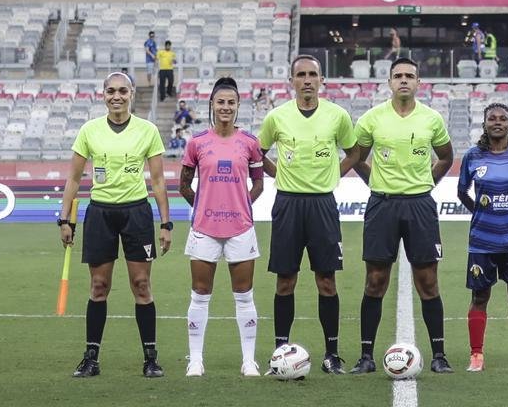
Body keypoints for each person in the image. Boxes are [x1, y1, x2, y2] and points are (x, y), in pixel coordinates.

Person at [59, 72, 172, 379]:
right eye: (111, 91)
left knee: (141, 286)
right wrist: (65, 218)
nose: (117, 96)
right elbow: (73, 178)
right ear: (103, 94)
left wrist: (166, 223)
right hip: (100, 214)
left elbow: (159, 180)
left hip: (136, 213)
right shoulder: (89, 130)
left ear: (131, 94)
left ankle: (151, 359)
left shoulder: (147, 130)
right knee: (98, 287)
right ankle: (91, 358)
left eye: (123, 91)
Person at [349, 57, 455, 375]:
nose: (404, 80)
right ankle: (366, 357)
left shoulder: (432, 119)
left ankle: (439, 355)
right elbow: (357, 158)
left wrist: (426, 185)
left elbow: (446, 157)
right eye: (398, 76)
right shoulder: (372, 118)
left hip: (420, 205)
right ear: (390, 82)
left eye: (410, 75)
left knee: (428, 281)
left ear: (419, 81)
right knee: (375, 280)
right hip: (382, 206)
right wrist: (376, 183)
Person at [259, 55, 362, 374]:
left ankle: (332, 355)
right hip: (288, 204)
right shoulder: (276, 117)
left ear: (321, 80)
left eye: (312, 74)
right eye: (300, 75)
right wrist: (279, 175)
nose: (306, 80)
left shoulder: (337, 115)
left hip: (322, 204)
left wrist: (335, 174)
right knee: (285, 281)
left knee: (326, 281)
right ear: (291, 81)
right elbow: (257, 153)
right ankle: (280, 352)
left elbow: (355, 151)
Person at [179, 77, 265, 377]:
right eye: (221, 102)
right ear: (212, 105)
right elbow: (184, 185)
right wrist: (203, 206)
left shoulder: (250, 144)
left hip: (240, 228)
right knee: (200, 294)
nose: (225, 107)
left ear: (238, 106)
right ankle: (196, 360)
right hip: (205, 228)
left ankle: (249, 360)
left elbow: (258, 184)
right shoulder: (197, 142)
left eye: (231, 102)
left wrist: (242, 204)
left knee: (244, 295)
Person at [457, 104, 508, 373]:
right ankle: (476, 355)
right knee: (480, 297)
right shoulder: (473, 157)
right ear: (484, 124)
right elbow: (462, 193)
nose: (497, 122)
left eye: (503, 118)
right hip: (482, 241)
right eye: (492, 118)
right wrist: (481, 212)